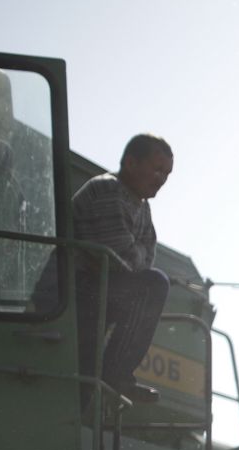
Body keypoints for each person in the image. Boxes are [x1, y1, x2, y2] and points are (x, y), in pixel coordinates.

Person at [71, 133, 173, 405]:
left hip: (101, 289)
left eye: (166, 173)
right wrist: (133, 257)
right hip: (79, 289)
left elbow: (145, 254)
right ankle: (116, 373)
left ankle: (113, 375)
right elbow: (123, 255)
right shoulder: (108, 190)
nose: (161, 179)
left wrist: (133, 257)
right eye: (157, 169)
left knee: (84, 384)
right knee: (153, 285)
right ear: (131, 162)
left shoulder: (141, 206)